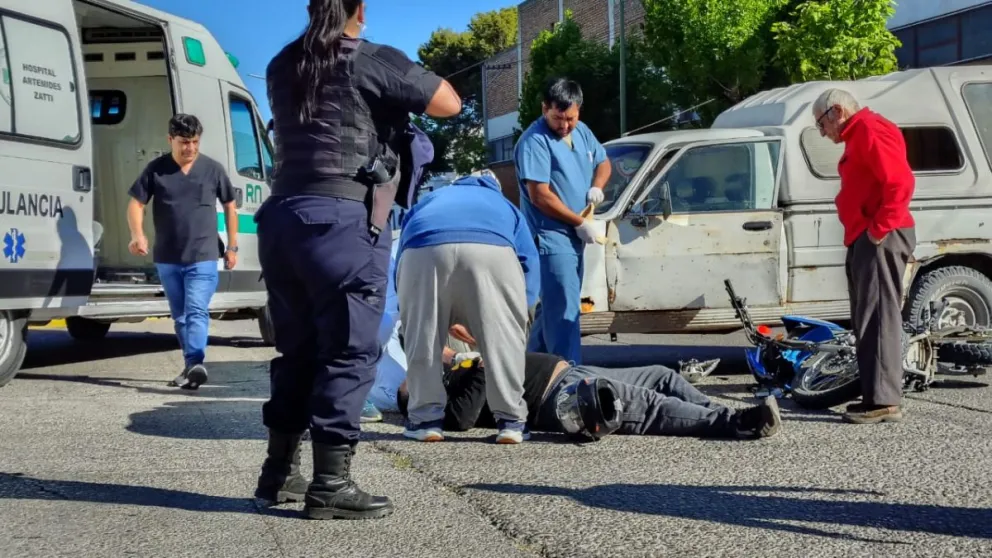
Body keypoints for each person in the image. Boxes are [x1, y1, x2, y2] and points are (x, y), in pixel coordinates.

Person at [252, 0, 462, 521]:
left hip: (280, 219)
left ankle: (278, 475)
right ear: (360, 7)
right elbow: (449, 103)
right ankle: (330, 484)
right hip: (342, 221)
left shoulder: (282, 63)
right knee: (348, 352)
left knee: (296, 352)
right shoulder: (369, 58)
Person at [395, 324, 783, 441]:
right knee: (643, 404)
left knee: (660, 376)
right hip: (555, 399)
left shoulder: (457, 368)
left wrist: (478, 347)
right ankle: (734, 423)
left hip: (565, 372)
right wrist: (482, 361)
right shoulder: (443, 404)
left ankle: (721, 410)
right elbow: (463, 420)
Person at [396, 170, 540, 445]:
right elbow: (528, 261)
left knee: (424, 338)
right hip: (492, 250)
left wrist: (411, 306)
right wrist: (521, 311)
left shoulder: (432, 198)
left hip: (424, 249)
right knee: (502, 342)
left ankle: (425, 420)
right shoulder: (504, 205)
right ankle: (511, 421)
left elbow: (403, 250)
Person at [812, 88, 916, 425]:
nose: (823, 133)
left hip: (880, 236)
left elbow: (900, 182)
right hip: (866, 235)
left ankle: (884, 401)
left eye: (821, 124)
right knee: (866, 316)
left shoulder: (870, 129)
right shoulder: (860, 134)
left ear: (837, 112)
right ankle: (875, 397)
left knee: (879, 315)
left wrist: (877, 231)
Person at [126, 114, 238, 390]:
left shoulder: (212, 169)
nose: (190, 148)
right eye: (184, 142)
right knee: (180, 317)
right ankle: (191, 367)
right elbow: (136, 204)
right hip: (168, 258)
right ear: (170, 140)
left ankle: (196, 362)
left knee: (196, 310)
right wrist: (137, 234)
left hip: (204, 256)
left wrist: (232, 246)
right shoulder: (156, 169)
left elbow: (230, 205)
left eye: (195, 142)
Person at [514, 77, 611, 365]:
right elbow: (540, 196)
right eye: (558, 118)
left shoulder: (582, 132)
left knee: (551, 314)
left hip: (573, 237)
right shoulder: (535, 141)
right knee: (565, 314)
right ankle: (568, 380)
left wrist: (598, 186)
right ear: (545, 108)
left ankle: (529, 374)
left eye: (571, 118)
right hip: (551, 238)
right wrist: (579, 223)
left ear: (579, 110)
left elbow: (603, 162)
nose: (565, 125)